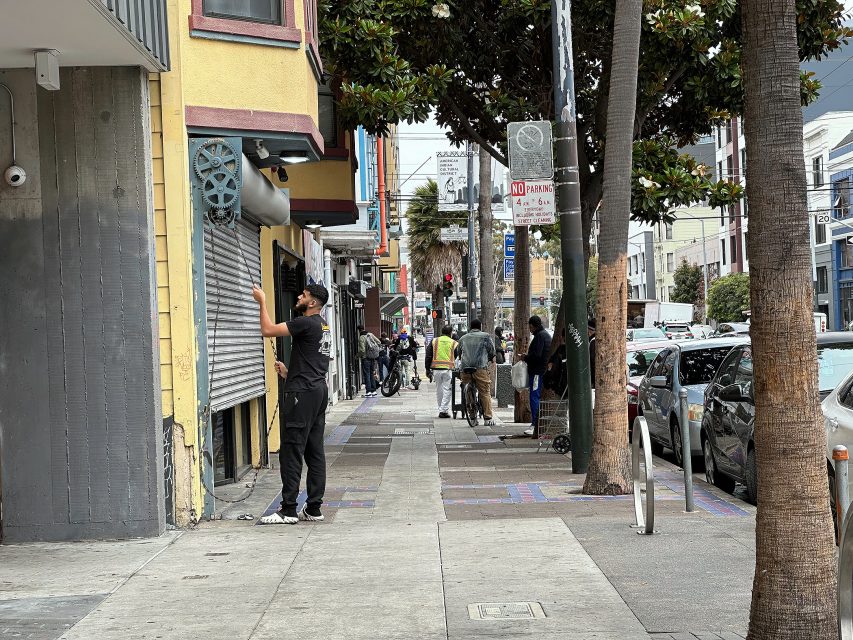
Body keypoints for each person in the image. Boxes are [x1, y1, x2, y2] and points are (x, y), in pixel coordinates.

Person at [252, 283, 331, 525]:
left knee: (291, 450)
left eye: (304, 295)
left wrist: (262, 301)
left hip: (302, 394)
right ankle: (314, 508)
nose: (299, 296)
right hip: (317, 391)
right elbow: (313, 360)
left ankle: (288, 510)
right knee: (314, 450)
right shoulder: (322, 325)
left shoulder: (305, 322)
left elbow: (267, 330)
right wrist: (289, 373)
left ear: (313, 303)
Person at [457, 318, 496, 426]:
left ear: (470, 327)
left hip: (465, 368)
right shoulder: (486, 336)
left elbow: (458, 353)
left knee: (469, 391)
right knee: (484, 392)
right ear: (481, 327)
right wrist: (491, 359)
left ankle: (472, 416)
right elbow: (492, 352)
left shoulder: (463, 338)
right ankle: (488, 418)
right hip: (480, 368)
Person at [523, 315, 552, 434]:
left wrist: (526, 357)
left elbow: (537, 355)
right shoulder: (545, 335)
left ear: (532, 326)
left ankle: (535, 423)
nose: (529, 329)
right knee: (536, 396)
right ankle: (537, 422)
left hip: (537, 371)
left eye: (530, 327)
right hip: (541, 370)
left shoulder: (539, 337)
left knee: (534, 396)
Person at [425, 325, 457, 418]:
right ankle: (443, 410)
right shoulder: (453, 342)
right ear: (450, 333)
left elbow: (428, 355)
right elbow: (456, 356)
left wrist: (427, 369)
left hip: (436, 369)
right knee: (447, 390)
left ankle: (442, 409)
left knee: (439, 389)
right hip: (447, 369)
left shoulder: (434, 341)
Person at [357, 325, 381, 398]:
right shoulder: (370, 334)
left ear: (359, 331)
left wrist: (357, 356)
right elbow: (379, 342)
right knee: (371, 374)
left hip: (366, 358)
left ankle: (368, 391)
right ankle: (373, 391)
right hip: (373, 357)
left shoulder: (361, 338)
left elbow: (362, 350)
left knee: (367, 375)